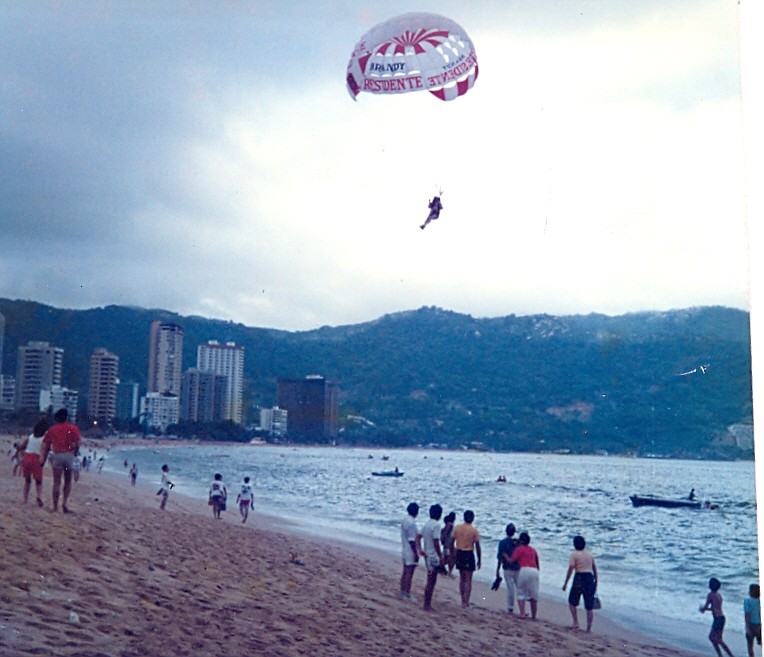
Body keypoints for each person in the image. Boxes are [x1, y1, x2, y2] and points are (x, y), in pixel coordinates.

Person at [39, 408, 80, 513]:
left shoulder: (52, 429)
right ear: (67, 417)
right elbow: (77, 443)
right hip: (68, 456)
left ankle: (55, 507)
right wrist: (75, 453)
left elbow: (45, 445)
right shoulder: (73, 428)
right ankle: (64, 503)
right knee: (67, 481)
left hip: (57, 455)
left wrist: (42, 457)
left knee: (56, 481)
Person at [562, 535, 599, 632]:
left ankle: (575, 622)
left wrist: (566, 583)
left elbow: (571, 568)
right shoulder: (590, 555)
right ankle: (589, 628)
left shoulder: (574, 554)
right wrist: (596, 582)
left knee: (572, 601)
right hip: (589, 578)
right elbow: (594, 569)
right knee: (589, 606)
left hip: (579, 577)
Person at [14, 419, 49, 506]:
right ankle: (39, 496)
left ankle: (25, 499)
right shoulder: (44, 438)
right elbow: (46, 449)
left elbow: (22, 446)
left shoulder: (30, 436)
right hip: (37, 458)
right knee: (38, 481)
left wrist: (16, 454)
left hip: (27, 457)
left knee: (27, 480)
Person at [452, 509, 481, 608]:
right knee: (468, 579)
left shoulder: (458, 528)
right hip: (468, 553)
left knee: (462, 578)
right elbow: (477, 546)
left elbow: (452, 541)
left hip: (459, 552)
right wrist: (479, 559)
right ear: (472, 519)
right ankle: (466, 602)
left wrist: (452, 553)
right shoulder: (474, 530)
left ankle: (462, 600)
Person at [419, 504, 445, 611]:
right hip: (433, 556)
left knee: (430, 579)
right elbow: (436, 541)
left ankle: (426, 603)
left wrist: (420, 549)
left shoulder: (426, 525)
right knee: (431, 581)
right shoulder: (436, 525)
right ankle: (427, 604)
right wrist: (440, 555)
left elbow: (418, 537)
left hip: (427, 555)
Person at [700, 577, 735, 657]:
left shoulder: (710, 595)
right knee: (717, 638)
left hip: (717, 619)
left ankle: (727, 655)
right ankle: (724, 655)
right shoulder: (719, 595)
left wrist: (702, 609)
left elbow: (706, 607)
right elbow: (715, 608)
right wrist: (707, 609)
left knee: (714, 638)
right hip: (721, 618)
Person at [509, 531, 540, 619]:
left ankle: (522, 613)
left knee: (521, 592)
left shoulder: (519, 549)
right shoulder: (533, 550)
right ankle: (534, 616)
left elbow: (512, 560)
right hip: (534, 571)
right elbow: (537, 562)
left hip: (524, 570)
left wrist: (505, 555)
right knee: (534, 595)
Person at [496, 523, 520, 614]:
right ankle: (522, 607)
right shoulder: (518, 543)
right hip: (518, 568)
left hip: (507, 568)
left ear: (506, 532)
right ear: (514, 532)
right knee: (519, 588)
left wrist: (497, 570)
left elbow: (500, 557)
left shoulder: (502, 543)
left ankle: (510, 607)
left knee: (510, 588)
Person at [400, 502, 420, 600]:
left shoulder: (405, 520)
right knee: (409, 572)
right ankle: (406, 593)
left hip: (405, 548)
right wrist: (416, 553)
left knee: (405, 571)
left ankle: (402, 591)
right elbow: (412, 540)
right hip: (410, 550)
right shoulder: (412, 523)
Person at [745, 583, 761, 657]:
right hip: (759, 625)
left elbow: (747, 615)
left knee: (750, 646)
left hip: (751, 625)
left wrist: (747, 627)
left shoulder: (747, 601)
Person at [440, 512, 457, 577]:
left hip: (448, 543)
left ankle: (442, 568)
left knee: (449, 557)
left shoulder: (449, 524)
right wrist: (443, 540)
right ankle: (446, 570)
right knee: (452, 557)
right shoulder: (450, 524)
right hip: (449, 544)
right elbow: (445, 533)